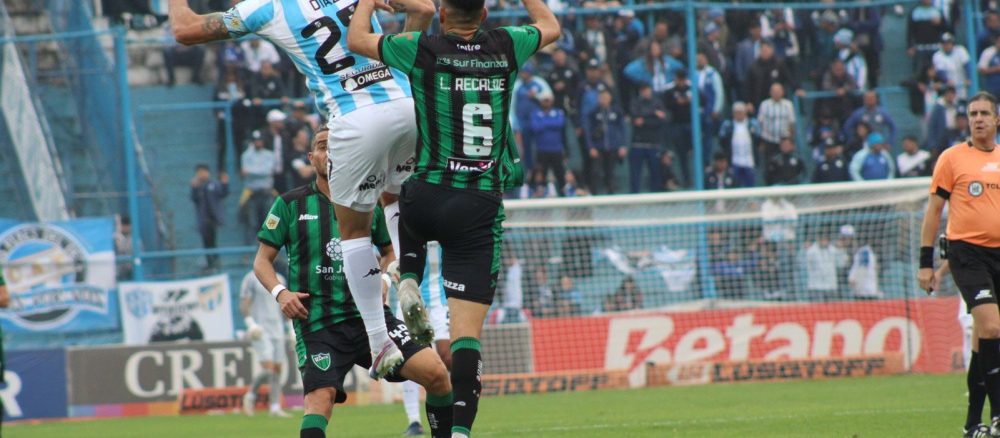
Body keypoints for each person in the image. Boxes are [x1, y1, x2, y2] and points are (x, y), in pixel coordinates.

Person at [169, 0, 439, 379]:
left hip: (354, 119)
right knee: (393, 198)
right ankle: (405, 275)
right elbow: (424, 9)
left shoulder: (264, 8)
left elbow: (184, 30)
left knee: (355, 233)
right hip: (408, 107)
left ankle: (379, 343)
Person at [346, 0, 560, 436]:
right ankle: (459, 432)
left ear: (442, 17)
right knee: (465, 338)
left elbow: (356, 40)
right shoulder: (507, 45)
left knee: (407, 214)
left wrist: (367, 2)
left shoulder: (421, 48)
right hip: (476, 206)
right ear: (484, 16)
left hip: (425, 193)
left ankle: (408, 274)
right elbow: (549, 25)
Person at [253, 128, 452, 438]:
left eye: (336, 146)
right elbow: (261, 261)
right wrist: (280, 293)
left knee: (437, 374)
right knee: (321, 400)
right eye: (321, 147)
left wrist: (386, 278)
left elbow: (388, 251)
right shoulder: (290, 205)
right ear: (311, 158)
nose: (329, 152)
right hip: (319, 323)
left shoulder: (367, 202)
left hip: (371, 317)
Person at [920, 91, 1000, 437]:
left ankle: (972, 424)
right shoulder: (952, 159)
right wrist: (926, 263)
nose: (978, 118)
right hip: (966, 254)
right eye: (972, 113)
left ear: (997, 119)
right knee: (992, 327)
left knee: (984, 341)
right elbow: (934, 212)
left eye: (984, 113)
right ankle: (998, 415)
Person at [395, 241, 453, 436]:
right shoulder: (400, 216)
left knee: (447, 356)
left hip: (439, 296)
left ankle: (454, 408)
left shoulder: (442, 213)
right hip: (407, 296)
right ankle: (414, 421)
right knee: (408, 358)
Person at [240, 269, 291, 418]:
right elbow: (245, 302)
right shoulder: (251, 278)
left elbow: (284, 303)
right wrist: (251, 324)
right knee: (269, 369)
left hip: (277, 329)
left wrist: (290, 328)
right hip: (260, 329)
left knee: (277, 369)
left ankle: (275, 407)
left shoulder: (280, 278)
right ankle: (250, 396)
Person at [190, 163, 229, 270]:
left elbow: (223, 193)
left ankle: (215, 261)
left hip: (213, 218)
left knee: (213, 240)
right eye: (199, 173)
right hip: (203, 218)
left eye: (203, 172)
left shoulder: (214, 184)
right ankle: (210, 262)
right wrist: (194, 188)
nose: (202, 175)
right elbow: (194, 199)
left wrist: (225, 184)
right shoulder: (198, 187)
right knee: (206, 242)